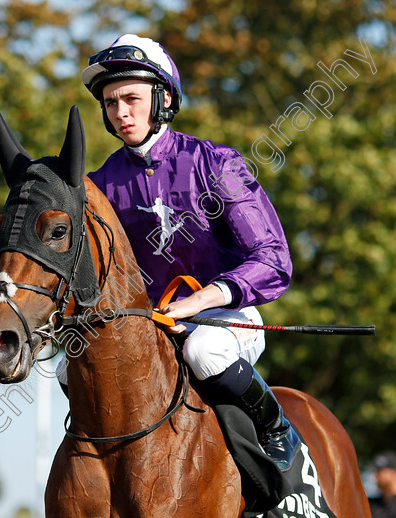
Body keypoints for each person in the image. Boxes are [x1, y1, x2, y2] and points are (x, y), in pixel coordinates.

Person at [71, 33, 299, 471]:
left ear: (163, 98)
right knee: (72, 370)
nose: (120, 113)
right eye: (110, 103)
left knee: (205, 351)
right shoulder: (98, 186)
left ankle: (274, 428)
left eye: (131, 99)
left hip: (224, 318)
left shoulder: (216, 163)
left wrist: (200, 300)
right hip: (149, 324)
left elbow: (273, 260)